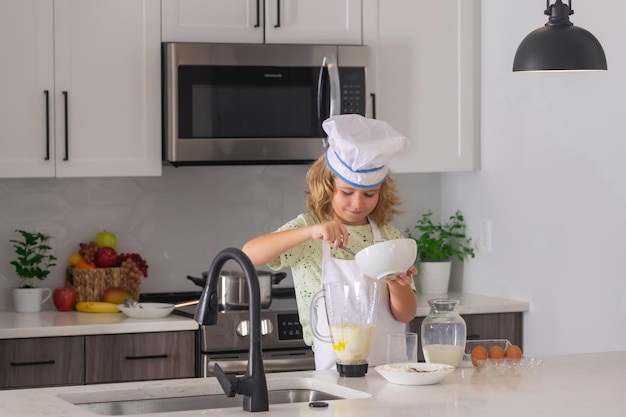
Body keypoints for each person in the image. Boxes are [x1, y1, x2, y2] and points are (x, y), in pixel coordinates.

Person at [242, 114, 417, 370]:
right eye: (347, 192)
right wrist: (309, 231)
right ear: (327, 186)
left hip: (390, 371)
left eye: (370, 194)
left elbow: (406, 314)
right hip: (334, 370)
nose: (358, 203)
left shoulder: (390, 239)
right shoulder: (307, 231)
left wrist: (399, 284)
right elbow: (249, 254)